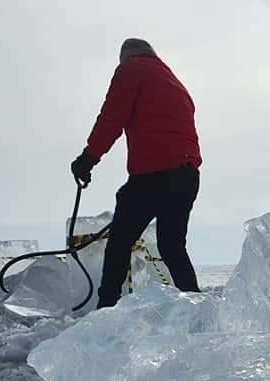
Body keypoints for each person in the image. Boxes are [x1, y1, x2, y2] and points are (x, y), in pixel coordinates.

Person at [71, 38, 202, 309]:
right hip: (187, 176)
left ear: (126, 57)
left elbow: (112, 118)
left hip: (154, 175)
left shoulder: (131, 70)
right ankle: (199, 310)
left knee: (119, 243)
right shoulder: (175, 83)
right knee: (172, 247)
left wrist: (88, 159)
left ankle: (105, 310)